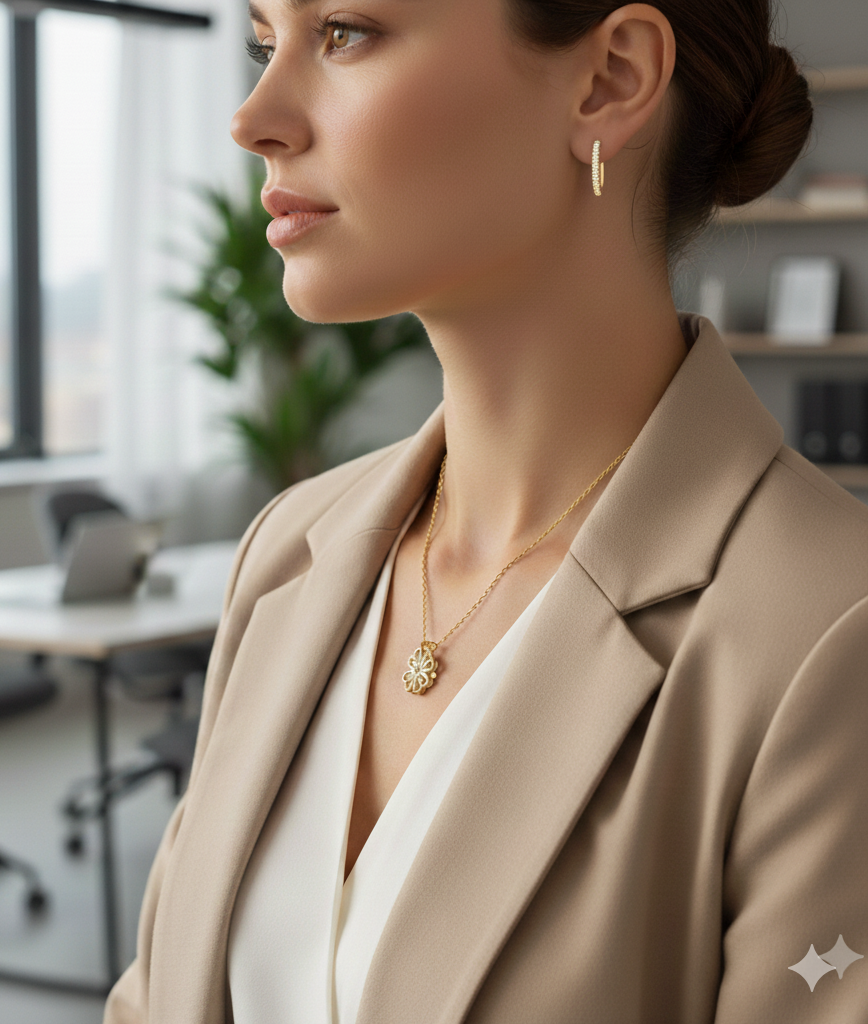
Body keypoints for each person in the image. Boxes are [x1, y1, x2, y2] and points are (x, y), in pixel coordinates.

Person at [105, 0, 868, 1020]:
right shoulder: (289, 550)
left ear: (608, 81)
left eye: (342, 32)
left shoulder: (825, 628)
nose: (253, 116)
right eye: (261, 40)